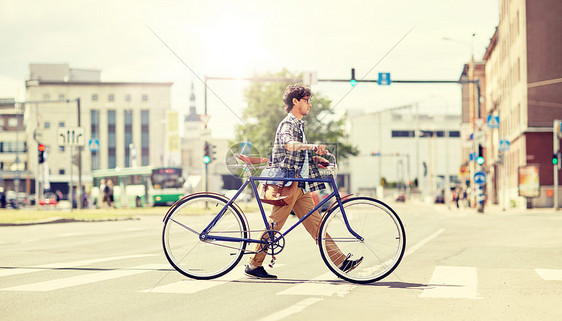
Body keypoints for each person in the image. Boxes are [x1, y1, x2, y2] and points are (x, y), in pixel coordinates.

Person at [244, 83, 363, 279]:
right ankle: (253, 264)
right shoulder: (288, 124)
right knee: (274, 225)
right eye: (307, 100)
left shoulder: (299, 125)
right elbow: (288, 145)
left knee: (317, 225)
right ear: (295, 101)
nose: (310, 104)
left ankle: (341, 261)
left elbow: (297, 153)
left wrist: (314, 158)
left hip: (300, 185)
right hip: (287, 185)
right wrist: (311, 146)